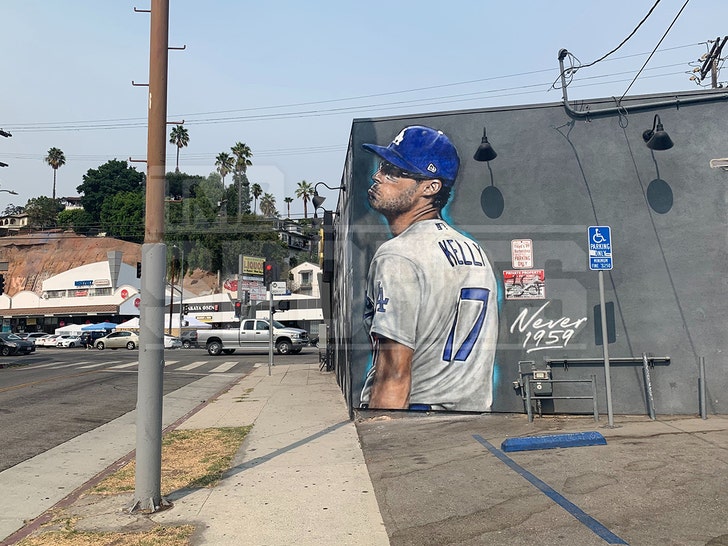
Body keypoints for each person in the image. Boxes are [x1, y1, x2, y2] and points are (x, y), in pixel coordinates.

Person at [360, 125, 499, 412]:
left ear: (431, 187)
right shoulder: (475, 252)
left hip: (414, 421)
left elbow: (393, 375)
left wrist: (381, 440)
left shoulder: (398, 255)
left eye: (393, 170)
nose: (378, 176)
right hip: (471, 423)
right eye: (382, 167)